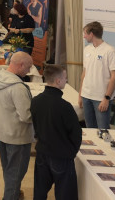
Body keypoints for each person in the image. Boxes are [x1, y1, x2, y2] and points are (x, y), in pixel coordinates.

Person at [31, 65, 81, 200]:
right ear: (58, 81)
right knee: (65, 195)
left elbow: (36, 126)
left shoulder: (35, 101)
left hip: (42, 153)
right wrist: (71, 152)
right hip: (61, 156)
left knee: (39, 193)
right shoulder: (65, 106)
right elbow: (76, 134)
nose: (66, 80)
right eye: (65, 78)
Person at [0, 51, 35, 200]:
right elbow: (26, 116)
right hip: (17, 137)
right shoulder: (18, 87)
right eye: (28, 67)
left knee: (8, 170)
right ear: (21, 65)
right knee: (15, 174)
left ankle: (14, 194)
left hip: (2, 132)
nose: (29, 70)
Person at [78, 21, 115, 129]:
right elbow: (84, 73)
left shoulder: (110, 51)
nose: (84, 36)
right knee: (90, 129)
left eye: (85, 33)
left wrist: (106, 98)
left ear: (91, 34)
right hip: (86, 96)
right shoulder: (87, 49)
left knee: (103, 129)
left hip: (101, 98)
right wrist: (80, 94)